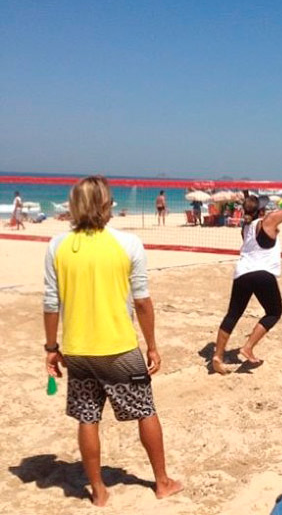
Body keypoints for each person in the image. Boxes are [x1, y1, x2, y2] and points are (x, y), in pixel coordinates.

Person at [43, 176, 182, 506]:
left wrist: (51, 348)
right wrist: (151, 345)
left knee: (87, 417)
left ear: (75, 205)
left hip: (77, 349)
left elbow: (51, 303)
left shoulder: (57, 246)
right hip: (118, 347)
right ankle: (162, 482)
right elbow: (142, 301)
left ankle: (99, 491)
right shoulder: (128, 243)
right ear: (107, 205)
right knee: (145, 410)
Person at [212, 180, 282, 375]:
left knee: (233, 314)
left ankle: (217, 355)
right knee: (274, 312)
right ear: (260, 211)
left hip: (242, 273)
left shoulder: (245, 227)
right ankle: (248, 347)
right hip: (262, 274)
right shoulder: (267, 221)